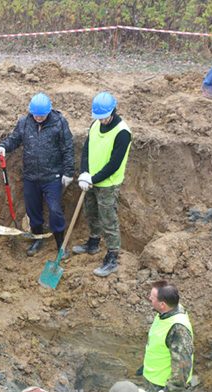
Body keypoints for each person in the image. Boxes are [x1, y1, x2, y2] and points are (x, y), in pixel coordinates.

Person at [0, 92, 74, 256]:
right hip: (31, 177)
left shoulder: (59, 123)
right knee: (33, 211)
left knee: (54, 210)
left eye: (42, 115)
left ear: (49, 112)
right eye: (36, 115)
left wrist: (68, 172)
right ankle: (38, 239)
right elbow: (14, 139)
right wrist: (4, 146)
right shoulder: (24, 122)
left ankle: (60, 245)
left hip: (52, 177)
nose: (38, 118)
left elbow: (68, 148)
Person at [74, 92, 132, 278]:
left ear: (113, 111)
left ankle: (112, 256)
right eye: (98, 118)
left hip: (108, 183)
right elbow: (86, 151)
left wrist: (94, 178)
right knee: (90, 212)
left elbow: (114, 164)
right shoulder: (95, 125)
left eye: (104, 117)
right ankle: (93, 242)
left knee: (108, 218)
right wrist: (84, 173)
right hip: (91, 179)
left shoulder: (122, 132)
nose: (101, 121)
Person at [141, 281, 194, 392]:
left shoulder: (178, 329)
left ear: (162, 304)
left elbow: (183, 364)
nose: (149, 299)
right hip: (153, 375)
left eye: (152, 298)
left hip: (161, 384)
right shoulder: (166, 312)